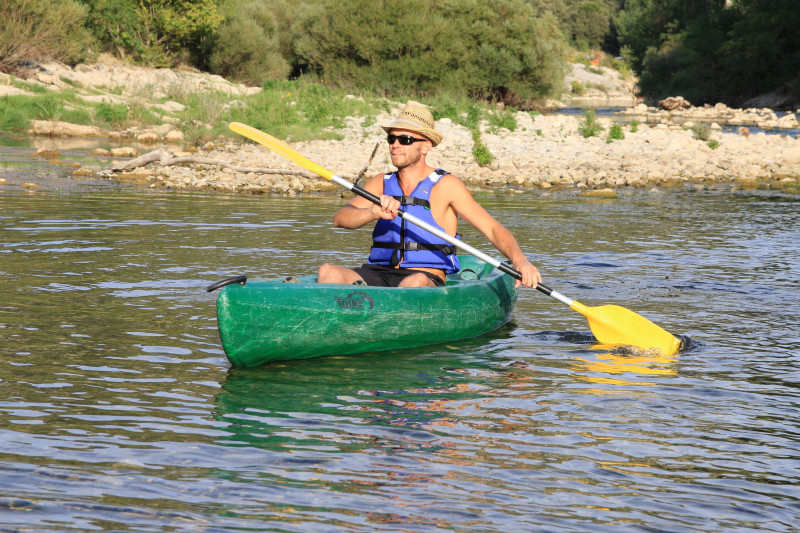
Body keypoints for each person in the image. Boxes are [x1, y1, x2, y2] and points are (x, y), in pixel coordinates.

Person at [317, 102, 541, 289]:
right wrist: (372, 212)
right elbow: (341, 218)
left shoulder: (446, 185)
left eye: (404, 140)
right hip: (377, 273)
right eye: (391, 139)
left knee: (414, 282)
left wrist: (520, 261)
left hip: (424, 277)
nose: (395, 145)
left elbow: (492, 228)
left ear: (425, 147)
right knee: (328, 272)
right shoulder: (381, 182)